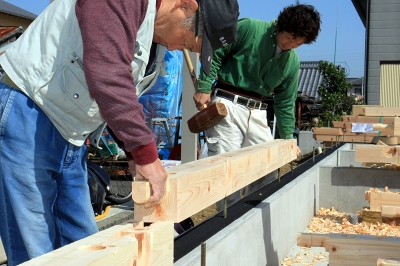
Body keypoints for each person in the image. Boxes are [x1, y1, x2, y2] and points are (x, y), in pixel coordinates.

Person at [0, 0, 239, 264]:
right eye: (184, 43)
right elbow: (107, 73)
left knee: (84, 245)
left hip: (70, 134)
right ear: (187, 6)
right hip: (28, 116)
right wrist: (145, 154)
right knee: (35, 249)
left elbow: (121, 95)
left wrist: (132, 153)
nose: (174, 48)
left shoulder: (151, 32)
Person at [193, 4, 321, 210]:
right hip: (227, 104)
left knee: (268, 169)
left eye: (298, 43)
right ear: (281, 25)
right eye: (289, 37)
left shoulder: (292, 63)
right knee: (228, 172)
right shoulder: (249, 28)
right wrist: (204, 86)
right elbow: (216, 52)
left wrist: (288, 139)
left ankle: (248, 220)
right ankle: (226, 226)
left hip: (259, 112)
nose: (291, 44)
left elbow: (286, 104)